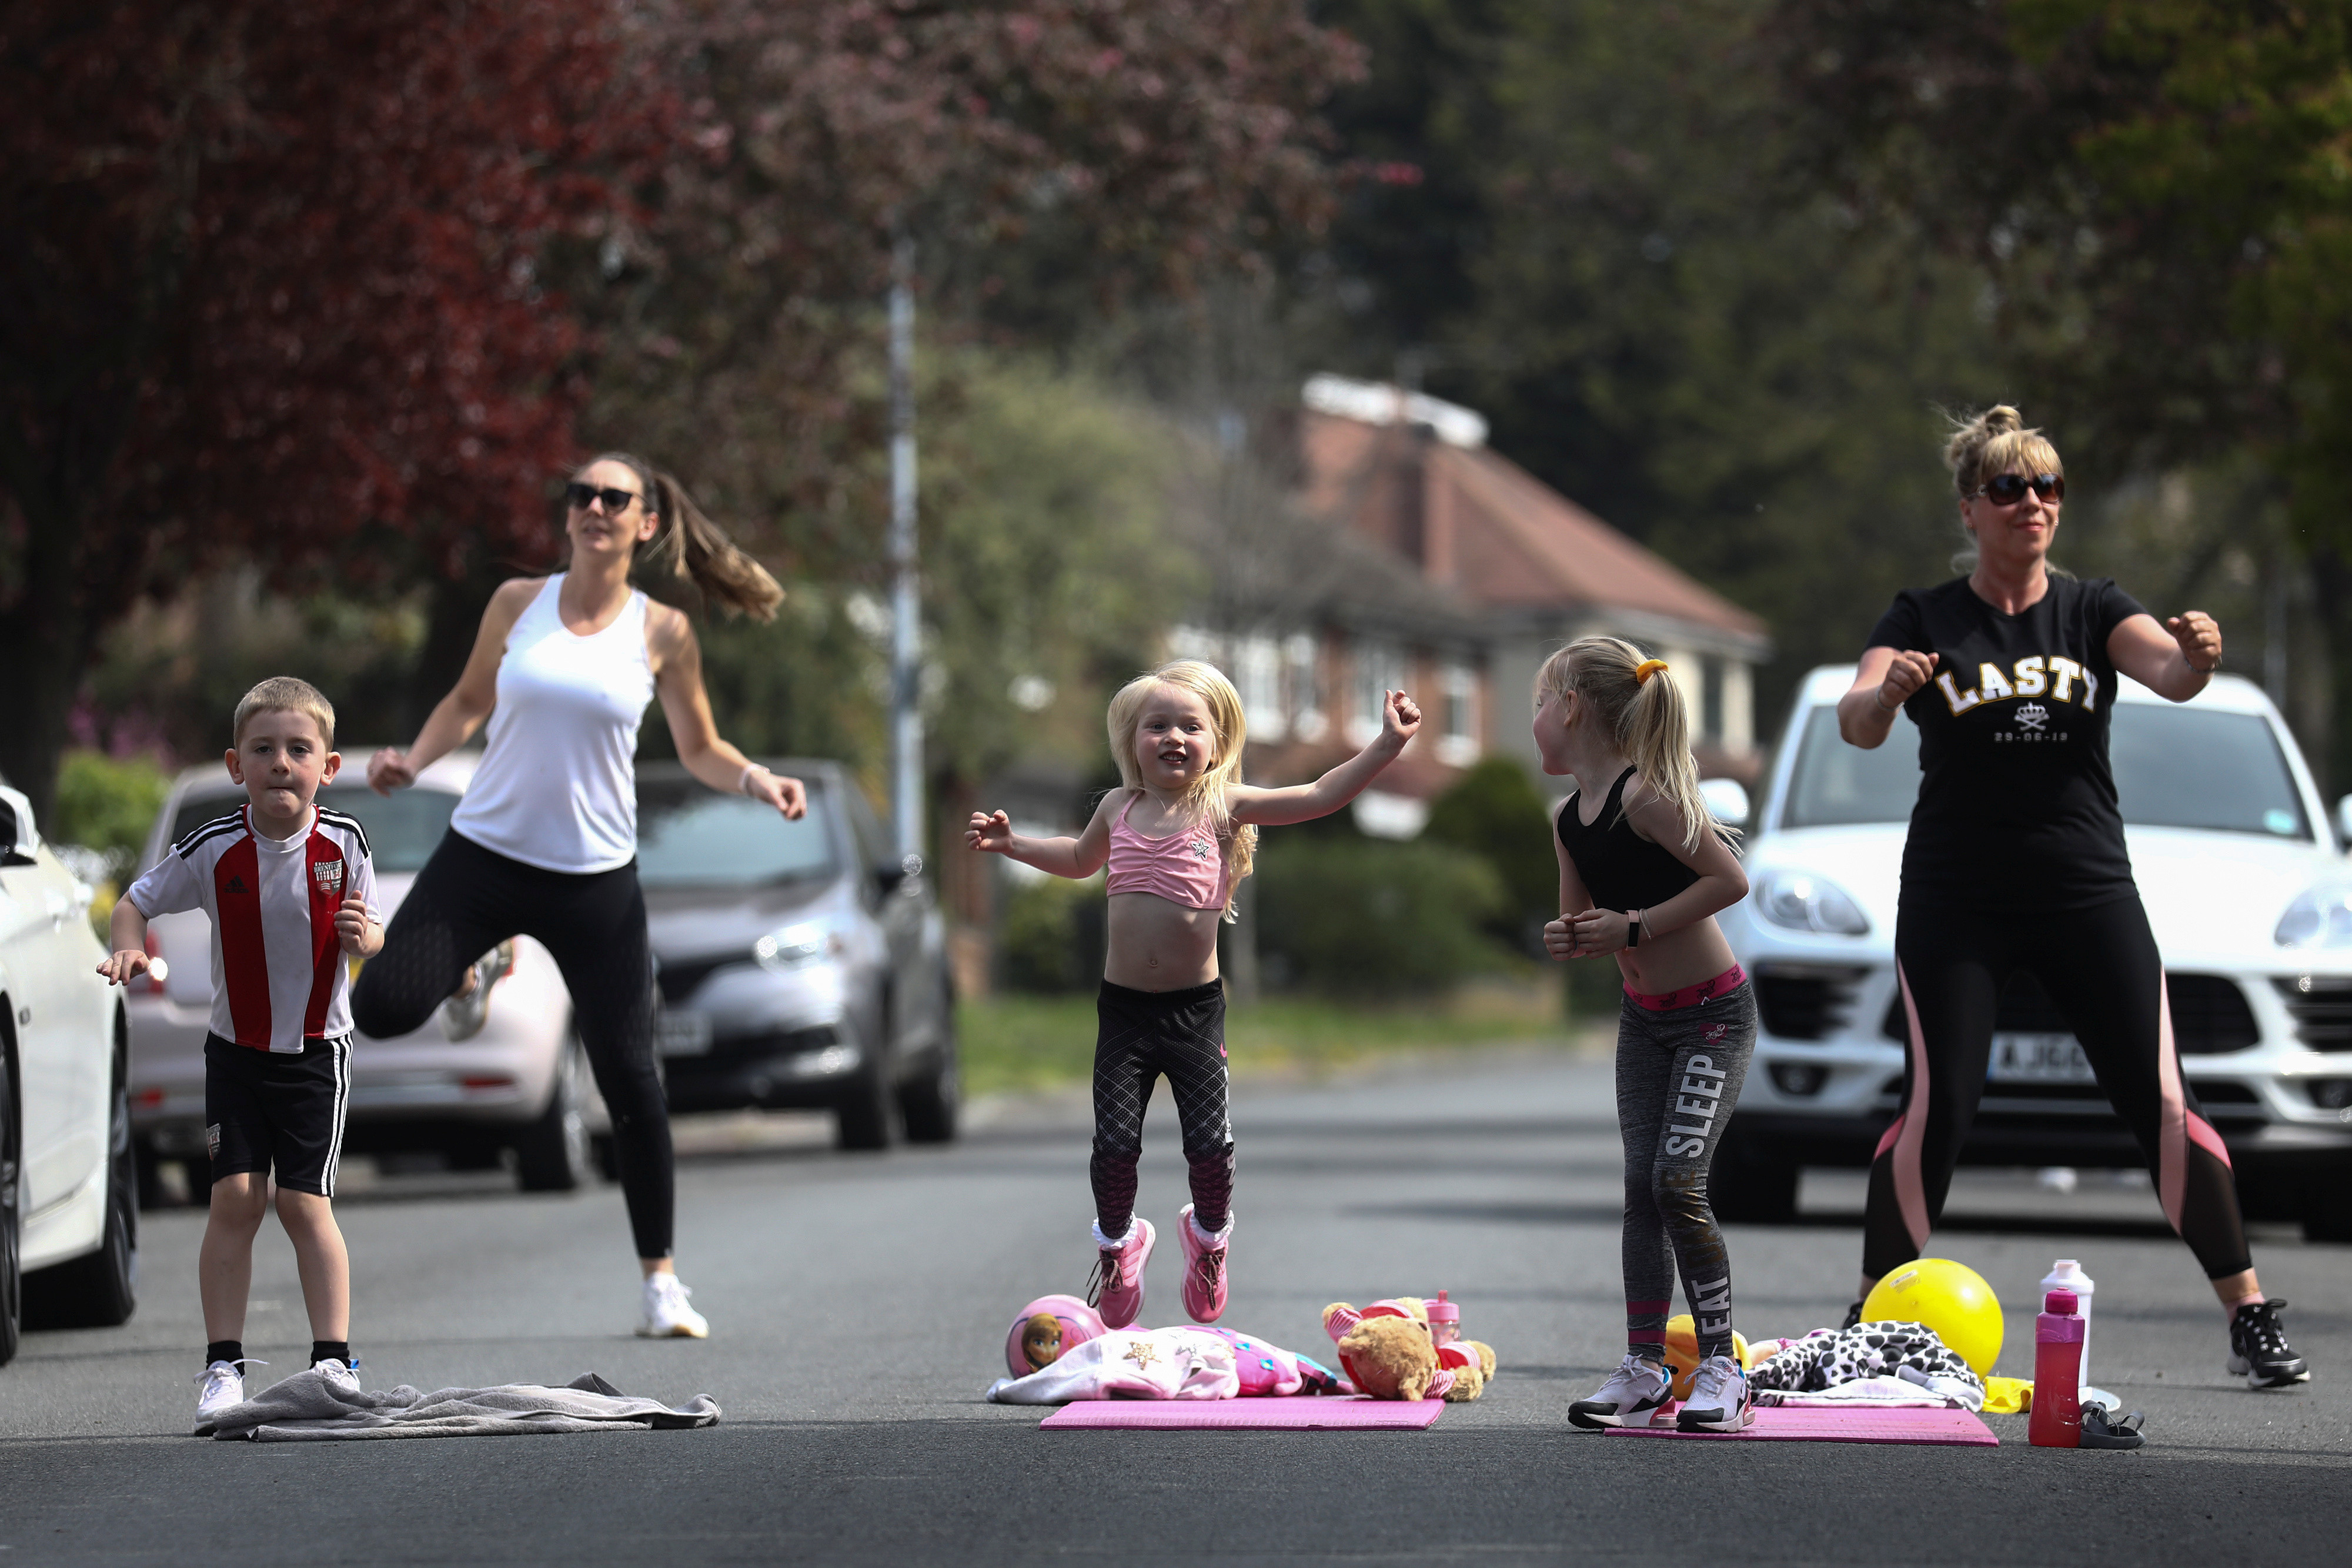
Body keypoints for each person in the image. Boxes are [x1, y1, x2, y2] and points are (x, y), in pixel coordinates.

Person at [1838, 404, 2306, 1388]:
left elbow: (2170, 674)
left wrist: (2201, 657)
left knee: (2162, 1100)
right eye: (2010, 487)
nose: (2033, 502)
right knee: (1941, 1103)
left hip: (2085, 888)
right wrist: (1887, 695)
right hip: (1957, 895)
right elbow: (1857, 718)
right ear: (1971, 508)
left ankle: (2250, 1315)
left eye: (2048, 485)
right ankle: (1872, 1317)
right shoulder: (1923, 615)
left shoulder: (2094, 609)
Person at [351, 453, 806, 1340]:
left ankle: (661, 1281)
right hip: (484, 852)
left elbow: (701, 745)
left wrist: (757, 779)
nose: (594, 507)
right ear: (566, 514)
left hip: (597, 878)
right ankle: (475, 963)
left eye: (614, 497)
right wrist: (415, 755)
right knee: (381, 1006)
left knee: (633, 1081)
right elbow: (469, 698)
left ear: (645, 522)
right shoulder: (517, 602)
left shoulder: (664, 629)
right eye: (580, 494)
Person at [966, 660, 1421, 1328]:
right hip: (1122, 1010)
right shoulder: (1117, 807)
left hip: (1193, 1015)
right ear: (1132, 740)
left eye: (1190, 726)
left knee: (1208, 1146)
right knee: (1115, 1144)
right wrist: (1015, 845)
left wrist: (1385, 745)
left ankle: (1209, 1243)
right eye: (1157, 725)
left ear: (1217, 740)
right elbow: (1077, 859)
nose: (1173, 737)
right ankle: (1119, 1247)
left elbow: (1319, 794)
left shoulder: (1223, 806)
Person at [98, 678, 383, 1433]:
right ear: (235, 766)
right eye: (264, 750)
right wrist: (128, 949)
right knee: (234, 1200)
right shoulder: (213, 847)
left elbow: (371, 925)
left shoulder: (345, 844)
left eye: (299, 750)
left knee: (302, 1202)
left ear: (329, 766)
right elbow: (135, 901)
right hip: (234, 1055)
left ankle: (335, 1362)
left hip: (317, 1053)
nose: (281, 763)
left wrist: (366, 940)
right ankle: (223, 1367)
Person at [1536, 638, 1758, 1433]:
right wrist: (1570, 938)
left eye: (1538, 702)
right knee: (1641, 1188)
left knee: (1677, 1182)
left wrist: (1633, 922)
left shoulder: (1646, 798)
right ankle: (1644, 1367)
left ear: (1571, 706)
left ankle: (1724, 1367)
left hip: (1712, 1016)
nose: (1534, 718)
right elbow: (1578, 922)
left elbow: (1730, 878)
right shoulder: (1570, 817)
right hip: (1647, 1019)